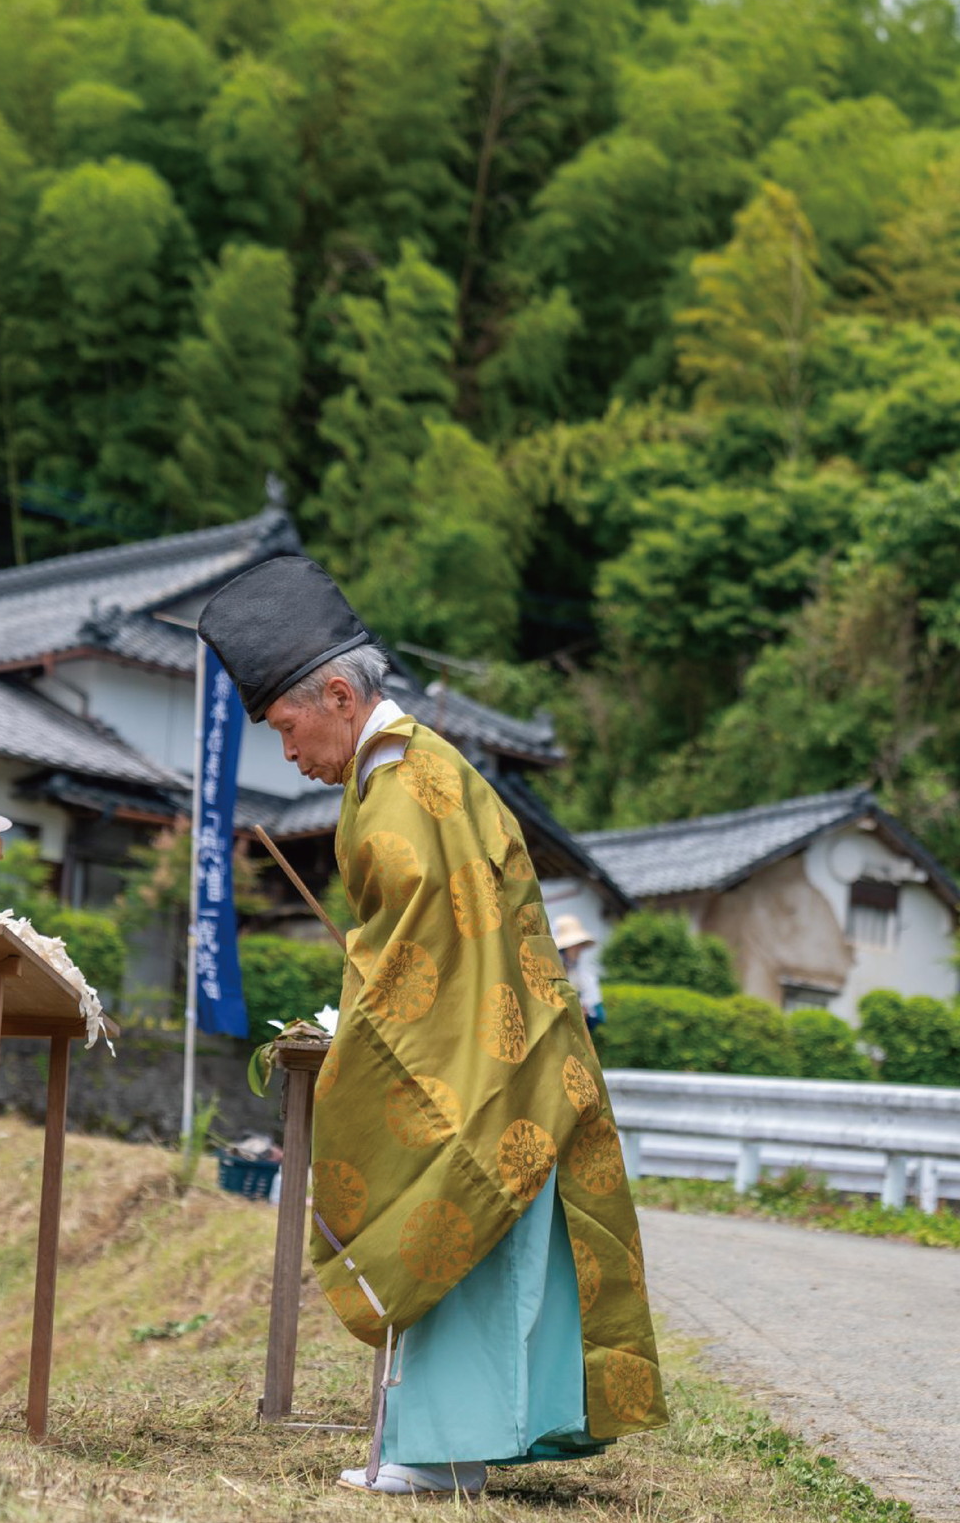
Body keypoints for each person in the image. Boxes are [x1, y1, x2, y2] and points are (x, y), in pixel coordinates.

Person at [198, 555, 666, 1496]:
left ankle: (438, 1452)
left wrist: (359, 1039)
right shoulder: (402, 771)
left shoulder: (410, 783)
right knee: (496, 1248)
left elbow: (425, 951)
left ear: (337, 693)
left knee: (455, 1222)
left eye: (288, 728)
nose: (287, 754)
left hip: (479, 1061)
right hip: (506, 1050)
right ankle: (451, 1443)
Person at [554, 915, 605, 1036]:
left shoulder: (585, 977)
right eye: (573, 945)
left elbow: (599, 1014)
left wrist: (586, 1013)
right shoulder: (551, 977)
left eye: (578, 945)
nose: (577, 949)